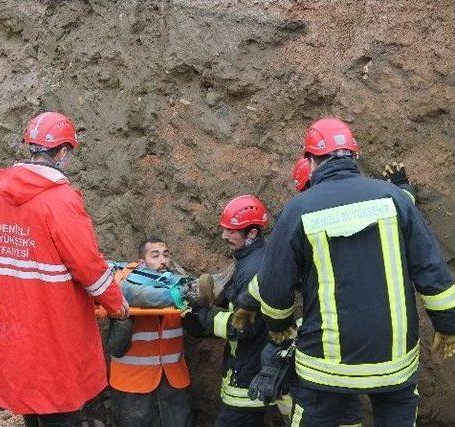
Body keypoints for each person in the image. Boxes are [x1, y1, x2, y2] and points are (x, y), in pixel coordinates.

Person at [256, 118, 455, 426]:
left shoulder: (298, 210)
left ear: (309, 162)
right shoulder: (395, 200)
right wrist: (448, 324)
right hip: (395, 362)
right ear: (355, 157)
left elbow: (273, 285)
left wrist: (279, 323)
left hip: (326, 367)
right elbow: (430, 268)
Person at [0, 111, 128, 426]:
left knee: (29, 401)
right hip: (56, 324)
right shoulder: (60, 200)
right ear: (63, 152)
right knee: (60, 406)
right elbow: (87, 264)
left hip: (14, 322)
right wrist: (115, 303)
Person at [183, 195, 272, 427]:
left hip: (249, 373)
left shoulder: (253, 268)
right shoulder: (252, 259)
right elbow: (242, 304)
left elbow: (244, 326)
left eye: (232, 231)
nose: (224, 236)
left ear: (252, 233)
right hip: (254, 364)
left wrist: (200, 317)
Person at [107, 237, 193, 426]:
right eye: (155, 255)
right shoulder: (125, 287)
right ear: (141, 263)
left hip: (173, 383)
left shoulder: (178, 286)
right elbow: (115, 348)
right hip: (133, 387)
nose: (163, 260)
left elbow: (197, 327)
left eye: (166, 254)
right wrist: (123, 321)